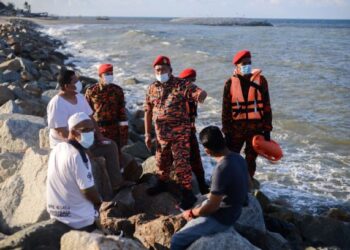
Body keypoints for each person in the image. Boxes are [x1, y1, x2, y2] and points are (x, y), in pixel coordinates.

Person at [47, 69, 123, 198]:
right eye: (75, 81)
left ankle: (117, 184)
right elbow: (60, 131)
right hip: (67, 144)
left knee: (110, 146)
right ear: (66, 86)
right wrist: (80, 148)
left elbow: (91, 118)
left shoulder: (80, 97)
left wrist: (99, 136)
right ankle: (95, 197)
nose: (79, 83)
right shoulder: (57, 103)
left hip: (85, 139)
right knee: (87, 161)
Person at [170, 126, 249, 250]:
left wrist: (192, 213)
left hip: (223, 219)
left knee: (176, 240)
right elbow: (248, 185)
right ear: (223, 140)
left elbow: (212, 207)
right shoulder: (239, 158)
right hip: (236, 211)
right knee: (200, 201)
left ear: (207, 151)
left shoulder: (221, 169)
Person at [144, 55, 207, 209]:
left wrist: (201, 95)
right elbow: (147, 111)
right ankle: (162, 184)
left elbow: (197, 92)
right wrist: (147, 134)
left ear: (170, 70)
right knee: (161, 161)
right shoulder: (152, 88)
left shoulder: (181, 84)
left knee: (181, 164)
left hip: (180, 134)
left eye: (163, 69)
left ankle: (188, 193)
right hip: (161, 135)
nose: (160, 72)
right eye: (157, 70)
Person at [222, 50, 273, 179]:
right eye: (244, 63)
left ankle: (247, 182)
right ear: (237, 66)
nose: (247, 65)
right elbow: (226, 110)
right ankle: (232, 181)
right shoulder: (229, 83)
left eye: (249, 63)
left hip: (256, 128)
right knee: (231, 156)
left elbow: (266, 106)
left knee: (251, 159)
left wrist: (267, 130)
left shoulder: (261, 81)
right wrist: (226, 131)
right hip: (236, 129)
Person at [46, 112, 101, 231]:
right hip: (79, 220)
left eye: (92, 129)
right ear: (73, 131)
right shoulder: (78, 155)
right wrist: (100, 204)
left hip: (56, 214)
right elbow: (88, 191)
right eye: (86, 130)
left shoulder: (57, 149)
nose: (91, 133)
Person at [85, 64, 129, 155]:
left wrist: (124, 134)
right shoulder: (91, 91)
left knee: (116, 155)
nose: (110, 76)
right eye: (107, 74)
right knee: (98, 155)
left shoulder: (117, 90)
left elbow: (122, 114)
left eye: (111, 74)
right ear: (100, 76)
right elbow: (86, 113)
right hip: (97, 129)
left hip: (114, 129)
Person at [178, 68, 209, 194]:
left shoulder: (192, 93)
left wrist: (202, 93)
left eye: (193, 81)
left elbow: (201, 95)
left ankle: (202, 186)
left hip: (190, 131)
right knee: (181, 162)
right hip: (177, 134)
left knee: (196, 160)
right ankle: (185, 190)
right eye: (188, 80)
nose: (191, 83)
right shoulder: (176, 94)